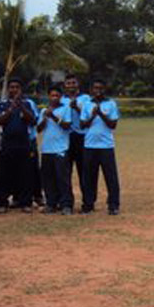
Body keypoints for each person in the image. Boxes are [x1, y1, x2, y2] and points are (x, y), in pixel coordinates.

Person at [0, 78, 38, 213]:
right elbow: (0, 120)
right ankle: (2, 202)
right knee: (4, 175)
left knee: (25, 175)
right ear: (8, 89)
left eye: (17, 87)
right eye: (11, 87)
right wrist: (11, 107)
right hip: (7, 145)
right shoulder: (2, 104)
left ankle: (25, 202)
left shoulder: (27, 104)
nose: (14, 90)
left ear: (21, 89)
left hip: (24, 145)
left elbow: (32, 120)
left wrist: (21, 107)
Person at [80, 78, 120, 215]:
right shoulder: (87, 104)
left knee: (110, 176)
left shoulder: (111, 104)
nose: (98, 91)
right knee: (89, 177)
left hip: (106, 146)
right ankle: (88, 204)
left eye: (100, 88)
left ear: (104, 89)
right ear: (91, 90)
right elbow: (82, 125)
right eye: (95, 88)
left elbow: (113, 125)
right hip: (90, 145)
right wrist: (92, 116)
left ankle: (113, 205)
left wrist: (101, 114)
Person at [37, 85, 73, 214]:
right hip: (47, 149)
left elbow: (67, 125)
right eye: (52, 95)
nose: (54, 98)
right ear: (48, 96)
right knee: (48, 178)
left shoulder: (65, 109)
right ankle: (51, 203)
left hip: (60, 149)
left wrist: (53, 116)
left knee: (62, 179)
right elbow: (38, 129)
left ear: (61, 97)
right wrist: (45, 118)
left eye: (57, 96)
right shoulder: (43, 111)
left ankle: (66, 204)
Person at [62, 73, 91, 210]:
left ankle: (87, 203)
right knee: (65, 172)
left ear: (78, 84)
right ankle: (67, 202)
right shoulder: (62, 99)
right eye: (68, 83)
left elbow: (89, 117)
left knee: (84, 171)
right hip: (66, 137)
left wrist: (77, 108)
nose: (71, 86)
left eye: (73, 83)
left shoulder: (86, 98)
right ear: (65, 85)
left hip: (82, 137)